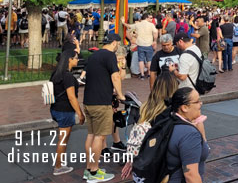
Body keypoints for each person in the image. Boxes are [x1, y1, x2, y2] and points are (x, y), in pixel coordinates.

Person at [121, 70, 180, 180]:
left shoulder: (146, 107)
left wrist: (130, 160)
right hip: (164, 165)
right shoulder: (172, 111)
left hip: (146, 161)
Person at [83, 33, 125, 182]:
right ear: (114, 43)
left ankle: (88, 169)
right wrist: (120, 95)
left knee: (91, 135)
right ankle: (94, 172)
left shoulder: (94, 56)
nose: (118, 47)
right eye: (118, 44)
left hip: (88, 101)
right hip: (101, 102)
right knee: (100, 137)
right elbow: (115, 76)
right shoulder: (109, 56)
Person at [50, 50, 85, 176]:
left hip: (55, 109)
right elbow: (71, 97)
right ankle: (58, 167)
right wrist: (80, 113)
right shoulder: (68, 76)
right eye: (76, 58)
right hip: (65, 111)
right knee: (63, 140)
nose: (77, 60)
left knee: (62, 139)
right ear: (69, 59)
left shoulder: (56, 74)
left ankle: (61, 163)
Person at [165, 87, 210, 183]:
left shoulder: (168, 120)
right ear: (184, 108)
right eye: (197, 101)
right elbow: (191, 176)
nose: (201, 104)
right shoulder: (189, 134)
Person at [122, 14, 158, 80]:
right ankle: (149, 74)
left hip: (140, 45)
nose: (151, 19)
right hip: (149, 44)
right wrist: (155, 40)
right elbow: (155, 32)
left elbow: (129, 26)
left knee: (140, 60)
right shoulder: (151, 25)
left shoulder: (138, 24)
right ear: (146, 18)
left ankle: (142, 75)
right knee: (149, 60)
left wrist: (123, 22)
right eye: (150, 18)